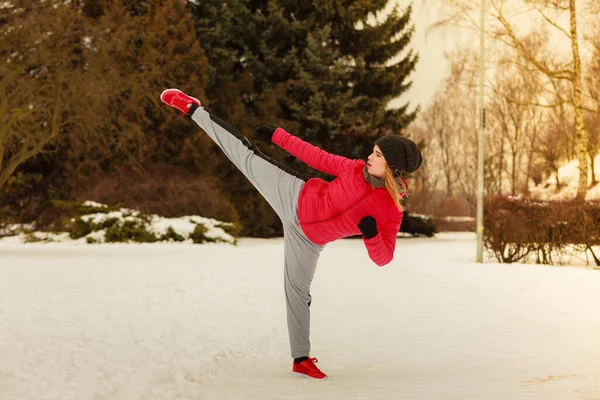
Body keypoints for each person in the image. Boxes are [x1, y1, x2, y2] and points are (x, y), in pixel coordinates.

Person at [160, 88, 423, 380]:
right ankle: (194, 109)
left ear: (393, 167)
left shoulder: (390, 210)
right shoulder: (353, 169)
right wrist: (278, 136)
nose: (368, 156)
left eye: (377, 154)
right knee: (244, 155)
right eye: (372, 151)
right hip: (294, 195)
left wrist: (371, 236)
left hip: (309, 241)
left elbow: (384, 257)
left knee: (297, 292)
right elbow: (316, 157)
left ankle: (301, 359)